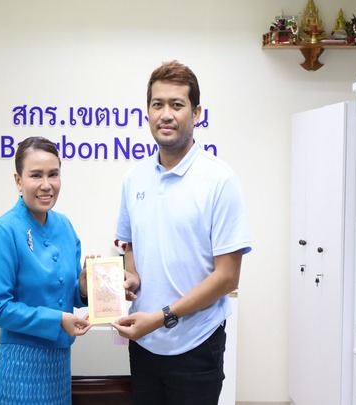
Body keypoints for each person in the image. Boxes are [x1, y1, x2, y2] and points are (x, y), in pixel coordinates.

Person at [111, 60, 252, 405]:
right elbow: (129, 245)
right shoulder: (133, 178)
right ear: (147, 112)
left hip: (196, 346)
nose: (166, 114)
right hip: (144, 342)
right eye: (157, 104)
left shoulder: (220, 180)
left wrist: (163, 317)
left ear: (196, 112)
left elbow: (228, 277)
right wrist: (130, 276)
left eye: (177, 104)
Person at [0, 136, 91, 405]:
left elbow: (67, 294)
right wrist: (58, 320)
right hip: (17, 372)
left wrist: (84, 287)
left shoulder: (65, 226)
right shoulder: (3, 231)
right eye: (36, 175)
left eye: (53, 174)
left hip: (59, 371)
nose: (46, 185)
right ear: (18, 181)